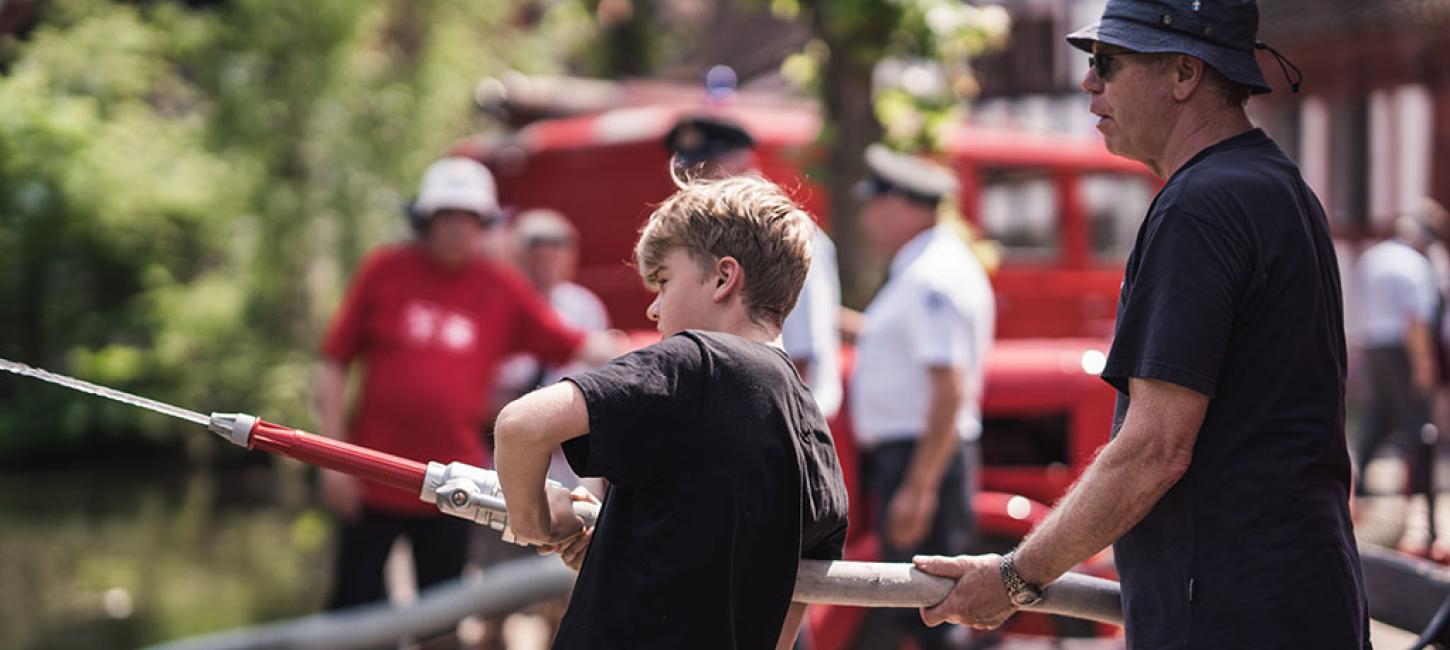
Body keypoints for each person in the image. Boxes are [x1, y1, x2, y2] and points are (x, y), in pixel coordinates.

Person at [912, 1, 1371, 648]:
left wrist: (1015, 578)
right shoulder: (1275, 185)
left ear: (1185, 73)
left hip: (1230, 614)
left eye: (1108, 62)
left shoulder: (1201, 204)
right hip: (1285, 598)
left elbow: (1154, 449)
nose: (1088, 83)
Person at [493, 174, 850, 650]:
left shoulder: (698, 362)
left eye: (664, 281)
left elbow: (521, 426)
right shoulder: (815, 439)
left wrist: (533, 519)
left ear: (724, 278)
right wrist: (616, 550)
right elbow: (778, 629)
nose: (654, 309)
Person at [316, 157, 621, 613]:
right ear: (425, 219)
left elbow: (578, 343)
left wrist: (671, 348)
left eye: (469, 218)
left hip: (453, 486)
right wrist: (332, 459)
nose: (458, 229)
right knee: (352, 611)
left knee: (443, 617)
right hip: (371, 473)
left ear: (484, 224)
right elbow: (334, 363)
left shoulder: (500, 287)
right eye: (447, 216)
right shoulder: (385, 270)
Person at [848, 144, 994, 650]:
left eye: (873, 204)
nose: (866, 217)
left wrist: (919, 485)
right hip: (918, 452)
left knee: (934, 607)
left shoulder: (932, 275)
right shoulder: (927, 267)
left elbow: (949, 384)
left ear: (900, 205)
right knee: (922, 608)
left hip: (921, 453)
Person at [664, 115, 844, 419]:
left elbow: (798, 355)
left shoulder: (782, 236)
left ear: (741, 163)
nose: (695, 182)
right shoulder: (726, 238)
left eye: (706, 168)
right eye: (690, 171)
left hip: (785, 420)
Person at [1356, 206, 1443, 554]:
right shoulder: (1415, 265)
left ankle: (1360, 491)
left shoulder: (1373, 258)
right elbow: (1416, 321)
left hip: (1376, 347)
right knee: (1418, 428)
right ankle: (1424, 509)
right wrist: (1425, 368)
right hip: (1402, 349)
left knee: (1376, 421)